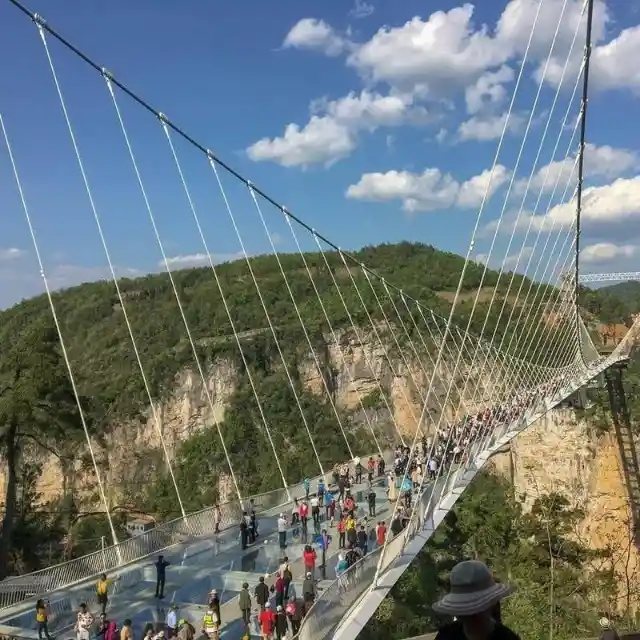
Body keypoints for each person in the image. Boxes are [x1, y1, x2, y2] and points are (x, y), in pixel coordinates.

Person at [432, 560, 520, 639]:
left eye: (477, 610)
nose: (472, 616)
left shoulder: (507, 638)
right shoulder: (446, 636)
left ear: (492, 604)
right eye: (465, 610)